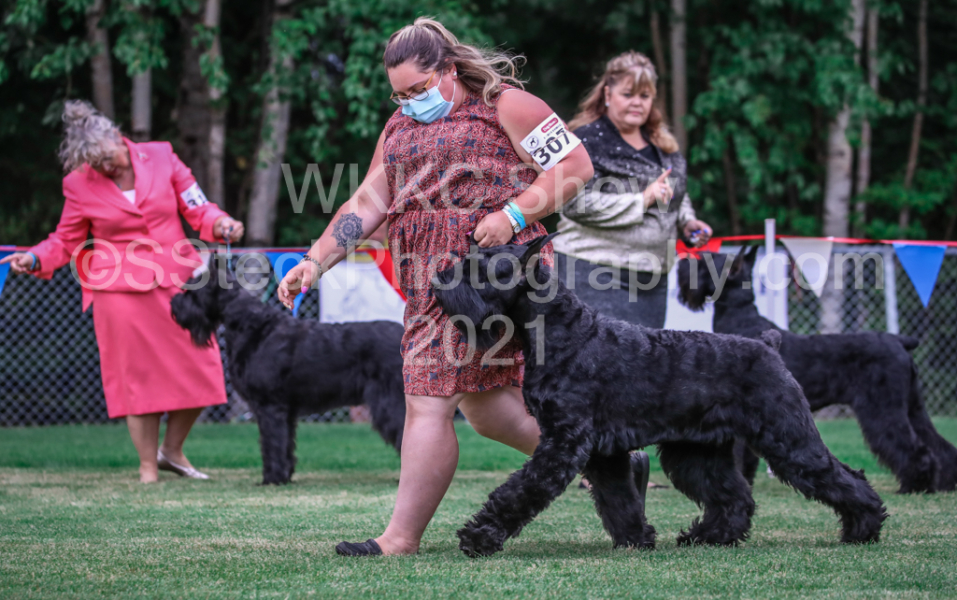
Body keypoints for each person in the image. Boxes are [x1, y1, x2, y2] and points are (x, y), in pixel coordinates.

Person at [277, 18, 593, 556]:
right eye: (399, 95)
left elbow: (575, 165)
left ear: (448, 69)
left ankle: (399, 539)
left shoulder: (509, 105)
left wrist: (513, 214)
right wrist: (315, 260)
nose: (408, 102)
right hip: (429, 284)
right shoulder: (398, 126)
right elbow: (368, 203)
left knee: (427, 398)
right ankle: (606, 459)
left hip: (492, 277)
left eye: (418, 89)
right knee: (488, 409)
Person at [0, 101, 244, 483]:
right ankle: (148, 466)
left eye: (108, 158)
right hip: (118, 290)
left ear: (118, 137)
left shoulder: (161, 155)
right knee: (138, 381)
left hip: (178, 282)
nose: (105, 168)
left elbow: (197, 206)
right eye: (95, 164)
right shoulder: (78, 183)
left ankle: (172, 451)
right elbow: (65, 240)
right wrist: (33, 257)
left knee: (204, 366)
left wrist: (221, 222)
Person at [554, 51, 713, 329]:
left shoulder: (663, 143)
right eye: (628, 94)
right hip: (594, 272)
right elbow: (573, 203)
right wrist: (641, 200)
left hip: (654, 278)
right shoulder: (584, 141)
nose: (637, 103)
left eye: (645, 96)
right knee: (603, 356)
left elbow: (673, 190)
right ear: (608, 94)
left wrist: (687, 221)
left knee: (646, 356)